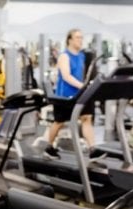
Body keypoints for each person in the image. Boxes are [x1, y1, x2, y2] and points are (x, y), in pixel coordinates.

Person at [41, 28, 95, 159]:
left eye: (81, 37)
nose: (80, 40)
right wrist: (83, 86)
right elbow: (66, 76)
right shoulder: (64, 56)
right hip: (65, 96)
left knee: (87, 118)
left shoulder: (82, 56)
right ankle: (49, 147)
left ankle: (93, 149)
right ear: (69, 40)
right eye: (77, 37)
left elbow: (86, 74)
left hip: (81, 94)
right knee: (59, 122)